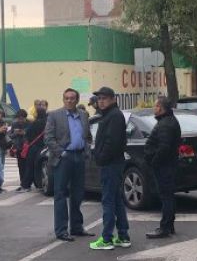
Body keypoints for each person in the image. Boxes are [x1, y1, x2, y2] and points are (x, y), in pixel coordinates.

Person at [44, 88, 93, 242]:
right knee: (60, 194)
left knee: (78, 194)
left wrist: (86, 149)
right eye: (66, 98)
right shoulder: (54, 115)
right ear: (63, 99)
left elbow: (88, 136)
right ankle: (61, 230)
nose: (69, 101)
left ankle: (77, 227)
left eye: (72, 98)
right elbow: (48, 138)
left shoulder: (84, 115)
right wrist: (61, 152)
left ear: (77, 100)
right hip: (63, 158)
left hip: (79, 156)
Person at [89, 87, 130, 250]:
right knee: (117, 200)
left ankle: (106, 238)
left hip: (111, 164)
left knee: (108, 201)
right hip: (113, 163)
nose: (101, 101)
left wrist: (100, 157)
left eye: (104, 98)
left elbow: (111, 143)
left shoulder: (114, 116)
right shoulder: (111, 115)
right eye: (99, 98)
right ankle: (123, 235)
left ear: (113, 99)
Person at [144, 97, 181, 239]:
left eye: (155, 106)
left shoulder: (165, 124)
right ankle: (169, 225)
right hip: (167, 165)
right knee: (168, 196)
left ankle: (165, 227)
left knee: (166, 197)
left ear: (160, 107)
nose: (154, 108)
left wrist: (154, 162)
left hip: (164, 166)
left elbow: (164, 147)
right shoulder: (168, 121)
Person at [18, 106, 47, 192]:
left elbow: (28, 133)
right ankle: (39, 184)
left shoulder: (36, 123)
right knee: (39, 166)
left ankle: (26, 185)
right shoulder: (47, 122)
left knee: (29, 166)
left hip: (34, 146)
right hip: (44, 147)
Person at [9, 109, 29, 182]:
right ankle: (22, 182)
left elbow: (32, 135)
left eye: (22, 118)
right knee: (20, 166)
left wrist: (24, 133)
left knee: (27, 165)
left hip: (27, 147)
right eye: (19, 118)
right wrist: (16, 133)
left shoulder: (29, 123)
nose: (20, 120)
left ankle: (27, 182)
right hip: (18, 147)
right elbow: (10, 135)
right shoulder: (14, 124)